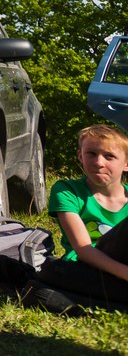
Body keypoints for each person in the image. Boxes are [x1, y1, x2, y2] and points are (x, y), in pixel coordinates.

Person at [37, 124, 128, 303]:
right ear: (80, 156)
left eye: (109, 156)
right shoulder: (67, 191)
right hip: (84, 266)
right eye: (91, 154)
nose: (99, 162)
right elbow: (84, 250)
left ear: (126, 163)